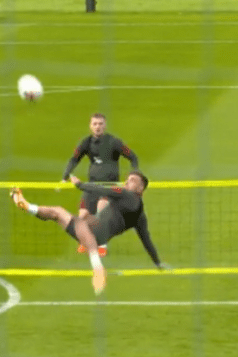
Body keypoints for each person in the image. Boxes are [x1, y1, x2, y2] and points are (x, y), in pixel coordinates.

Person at [10, 171, 165, 295]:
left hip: (92, 232)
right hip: (94, 235)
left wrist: (80, 185)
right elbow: (146, 240)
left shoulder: (125, 194)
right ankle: (27, 206)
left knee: (74, 219)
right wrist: (158, 263)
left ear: (140, 188)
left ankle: (97, 268)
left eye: (132, 180)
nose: (126, 182)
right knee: (58, 213)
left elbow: (101, 189)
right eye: (127, 179)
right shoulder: (140, 216)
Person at [61, 113, 139, 257]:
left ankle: (102, 245)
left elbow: (133, 157)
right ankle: (85, 241)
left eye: (100, 124)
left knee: (101, 213)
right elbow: (74, 159)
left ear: (105, 125)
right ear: (90, 126)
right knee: (83, 216)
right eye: (95, 124)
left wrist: (133, 177)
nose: (98, 127)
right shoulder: (86, 142)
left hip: (109, 187)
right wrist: (65, 176)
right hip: (91, 186)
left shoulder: (114, 142)